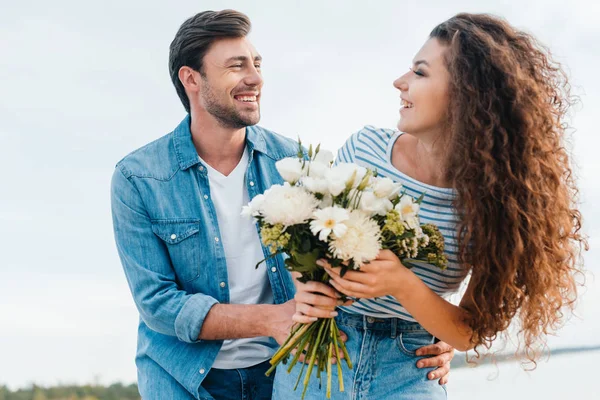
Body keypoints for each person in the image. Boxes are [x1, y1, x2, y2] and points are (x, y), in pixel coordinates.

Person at [111, 9, 453, 400]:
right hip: (184, 376)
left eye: (257, 64)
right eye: (237, 66)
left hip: (288, 367)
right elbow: (157, 304)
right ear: (191, 79)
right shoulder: (138, 178)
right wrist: (273, 319)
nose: (255, 77)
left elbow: (345, 265)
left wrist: (434, 330)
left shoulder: (295, 163)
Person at [280, 12, 587, 400]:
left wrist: (402, 284)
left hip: (412, 368)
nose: (400, 82)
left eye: (420, 73)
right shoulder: (365, 150)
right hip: (321, 352)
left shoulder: (498, 205)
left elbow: (470, 330)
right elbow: (304, 243)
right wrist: (303, 292)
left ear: (466, 95)